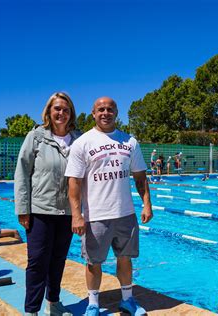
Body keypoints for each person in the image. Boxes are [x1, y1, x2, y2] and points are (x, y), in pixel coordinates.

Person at [65, 97, 153, 316]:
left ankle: (127, 300)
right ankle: (93, 304)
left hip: (125, 213)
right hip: (96, 215)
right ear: (93, 114)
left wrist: (147, 204)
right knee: (94, 262)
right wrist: (77, 215)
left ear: (116, 113)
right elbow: (74, 182)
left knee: (125, 259)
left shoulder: (129, 141)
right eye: (101, 109)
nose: (106, 113)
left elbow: (140, 177)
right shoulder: (83, 143)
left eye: (110, 109)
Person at [14, 92, 79, 315]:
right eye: (57, 108)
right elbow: (22, 173)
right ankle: (31, 310)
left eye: (66, 109)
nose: (61, 113)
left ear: (71, 113)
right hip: (41, 209)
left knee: (58, 259)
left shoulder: (78, 140)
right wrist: (23, 208)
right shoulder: (36, 137)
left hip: (68, 211)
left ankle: (54, 303)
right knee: (37, 262)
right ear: (49, 112)